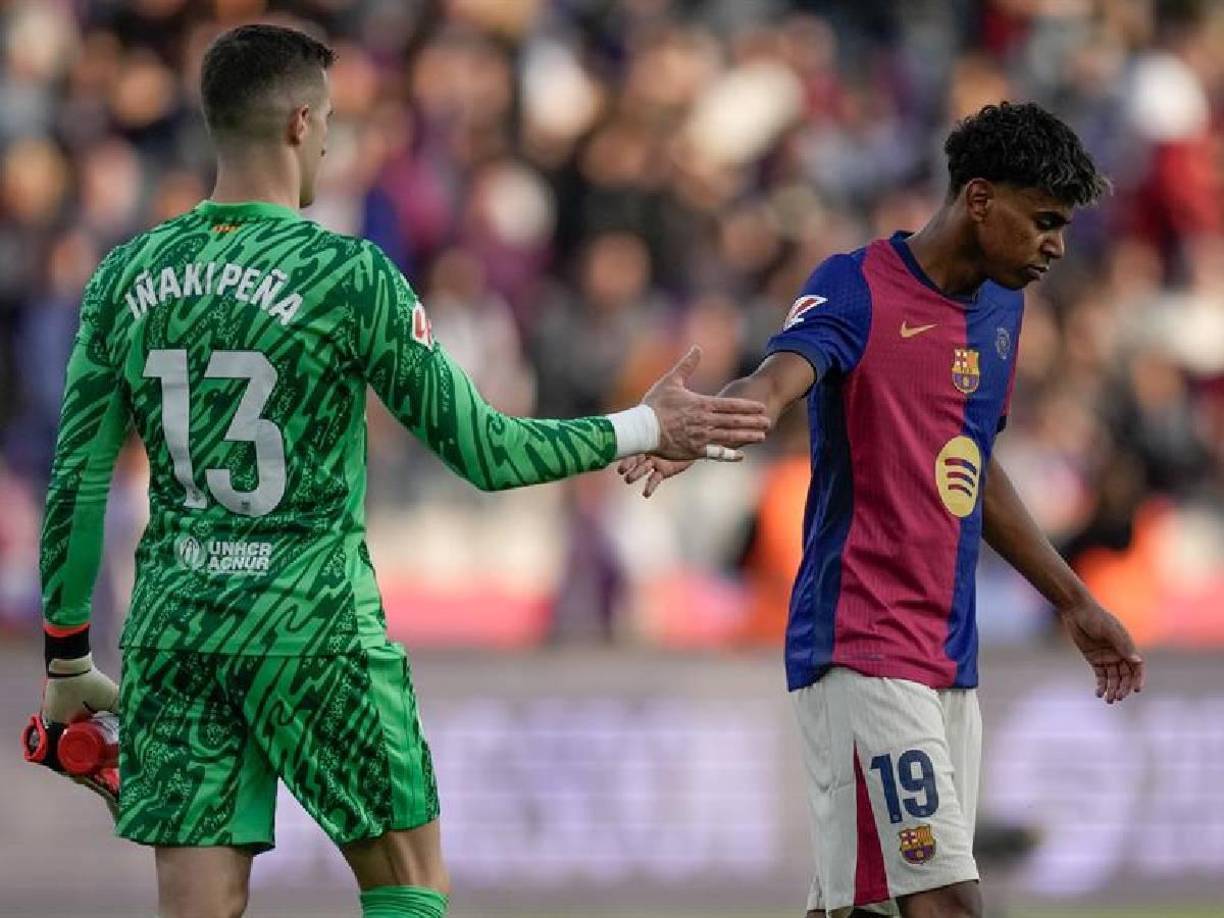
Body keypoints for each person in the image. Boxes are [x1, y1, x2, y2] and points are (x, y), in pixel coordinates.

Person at [35, 24, 770, 918]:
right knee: (408, 889)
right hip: (313, 629)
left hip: (176, 633)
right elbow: (490, 453)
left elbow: (75, 481)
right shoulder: (348, 277)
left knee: (196, 909)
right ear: (302, 123)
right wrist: (647, 422)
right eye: (335, 121)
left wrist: (67, 655)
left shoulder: (124, 277)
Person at [619, 101, 1146, 918]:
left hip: (947, 649)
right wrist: (710, 423)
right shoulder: (856, 286)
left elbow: (972, 464)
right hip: (861, 640)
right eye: (1044, 221)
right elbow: (775, 380)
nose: (1057, 246)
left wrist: (1073, 600)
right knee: (947, 904)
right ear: (979, 199)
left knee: (860, 908)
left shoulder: (1002, 309)